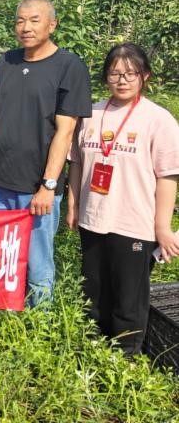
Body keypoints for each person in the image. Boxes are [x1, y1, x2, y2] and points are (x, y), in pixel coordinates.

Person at [67, 43, 179, 356]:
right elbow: (76, 163)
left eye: (131, 73)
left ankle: (126, 356)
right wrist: (73, 204)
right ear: (106, 77)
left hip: (134, 222)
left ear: (145, 76)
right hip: (93, 218)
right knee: (95, 288)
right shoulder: (91, 113)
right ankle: (94, 347)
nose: (122, 80)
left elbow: (168, 176)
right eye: (115, 73)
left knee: (128, 296)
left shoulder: (158, 120)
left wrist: (162, 227)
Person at [0, 0, 91, 307]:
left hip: (36, 186)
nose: (25, 27)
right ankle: (2, 313)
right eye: (20, 20)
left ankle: (38, 325)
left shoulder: (69, 66)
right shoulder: (7, 61)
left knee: (37, 261)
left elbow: (65, 131)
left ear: (52, 25)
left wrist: (48, 185)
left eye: (34, 20)